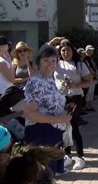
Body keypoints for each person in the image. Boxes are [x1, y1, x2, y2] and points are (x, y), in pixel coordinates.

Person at [23, 45, 72, 175]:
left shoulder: (51, 80)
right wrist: (58, 119)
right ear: (38, 62)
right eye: (46, 60)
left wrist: (64, 113)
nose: (50, 63)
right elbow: (28, 114)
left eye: (53, 60)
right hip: (40, 134)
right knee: (42, 178)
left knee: (50, 178)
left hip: (54, 134)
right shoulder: (36, 82)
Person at [54, 40, 92, 170]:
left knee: (73, 125)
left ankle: (80, 157)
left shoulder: (79, 64)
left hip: (74, 97)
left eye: (68, 50)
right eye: (63, 50)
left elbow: (89, 81)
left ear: (72, 51)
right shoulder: (56, 64)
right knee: (63, 127)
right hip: (59, 98)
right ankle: (67, 155)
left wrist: (76, 85)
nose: (65, 53)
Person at [84, 45, 98, 112]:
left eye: (92, 50)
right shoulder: (86, 58)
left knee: (91, 92)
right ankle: (87, 106)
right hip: (89, 77)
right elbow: (88, 67)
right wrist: (94, 73)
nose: (92, 51)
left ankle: (90, 105)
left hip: (93, 76)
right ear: (86, 50)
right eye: (90, 50)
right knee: (89, 92)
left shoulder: (90, 58)